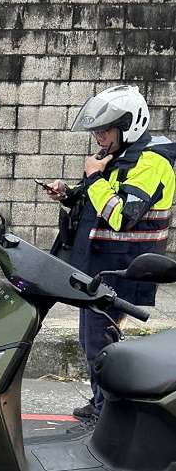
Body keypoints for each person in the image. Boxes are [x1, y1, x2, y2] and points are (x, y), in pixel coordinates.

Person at [46, 85, 175, 425]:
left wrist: (92, 176)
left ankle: (108, 414)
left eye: (104, 130)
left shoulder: (153, 163)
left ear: (128, 125)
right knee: (93, 341)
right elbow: (99, 198)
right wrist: (70, 193)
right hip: (100, 267)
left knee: (101, 345)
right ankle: (101, 403)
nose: (99, 138)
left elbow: (120, 216)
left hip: (123, 268)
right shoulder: (120, 157)